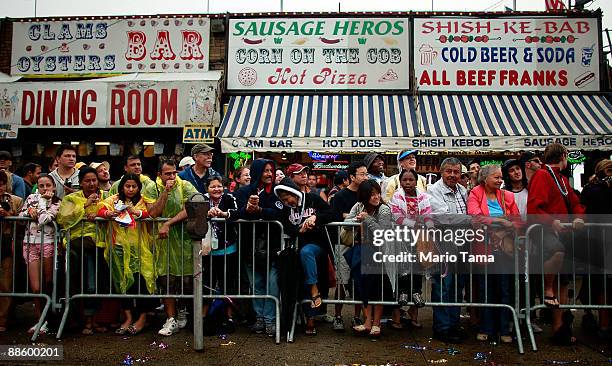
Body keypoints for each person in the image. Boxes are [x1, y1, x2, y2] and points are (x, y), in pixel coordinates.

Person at [527, 143, 585, 345]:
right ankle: (546, 288)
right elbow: (534, 206)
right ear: (563, 155)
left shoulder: (561, 178)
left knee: (565, 281)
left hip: (565, 232)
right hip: (544, 231)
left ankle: (560, 328)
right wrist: (551, 221)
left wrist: (578, 217)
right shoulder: (543, 175)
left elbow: (576, 202)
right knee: (557, 252)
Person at [143, 159, 198, 336]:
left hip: (184, 241)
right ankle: (170, 318)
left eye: (174, 173)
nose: (172, 176)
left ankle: (183, 309)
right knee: (166, 280)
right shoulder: (153, 187)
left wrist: (169, 223)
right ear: (160, 174)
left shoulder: (186, 185)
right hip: (162, 242)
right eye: (168, 173)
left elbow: (193, 207)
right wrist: (165, 191)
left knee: (186, 280)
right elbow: (153, 213)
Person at [274, 177, 335, 335]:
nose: (288, 203)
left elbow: (331, 213)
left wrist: (316, 218)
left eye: (288, 199)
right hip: (297, 249)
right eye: (284, 201)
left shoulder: (313, 198)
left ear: (293, 193)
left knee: (306, 252)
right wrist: (299, 230)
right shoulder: (285, 209)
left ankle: (315, 289)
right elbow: (286, 227)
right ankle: (310, 319)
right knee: (300, 282)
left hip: (317, 246)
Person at [467, 164, 520, 344]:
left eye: (500, 177)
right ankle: (486, 327)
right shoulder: (475, 193)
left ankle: (504, 327)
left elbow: (517, 221)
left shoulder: (507, 196)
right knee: (486, 288)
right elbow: (475, 216)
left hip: (505, 249)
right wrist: (499, 221)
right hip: (484, 247)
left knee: (505, 289)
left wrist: (503, 230)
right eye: (496, 177)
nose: (500, 180)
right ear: (485, 178)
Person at [98, 174, 155, 336]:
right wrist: (108, 214)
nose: (130, 190)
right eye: (127, 186)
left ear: (139, 187)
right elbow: (100, 209)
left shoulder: (144, 200)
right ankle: (128, 317)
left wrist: (135, 212)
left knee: (142, 281)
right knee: (122, 282)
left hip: (141, 249)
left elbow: (152, 214)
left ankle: (142, 317)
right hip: (118, 249)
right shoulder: (114, 199)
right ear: (121, 187)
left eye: (134, 186)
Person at [233, 158, 283, 336]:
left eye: (271, 170)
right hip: (249, 246)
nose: (269, 174)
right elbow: (236, 214)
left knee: (272, 284)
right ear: (257, 172)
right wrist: (247, 209)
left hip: (273, 247)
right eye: (265, 170)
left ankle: (270, 320)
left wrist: (260, 210)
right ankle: (260, 319)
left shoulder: (278, 191)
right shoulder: (244, 191)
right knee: (256, 284)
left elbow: (280, 213)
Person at [56, 167, 109, 335]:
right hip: (79, 246)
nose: (92, 184)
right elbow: (63, 218)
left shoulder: (106, 197)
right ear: (80, 182)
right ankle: (86, 321)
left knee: (100, 283)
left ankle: (95, 320)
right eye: (87, 181)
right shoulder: (71, 198)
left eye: (94, 180)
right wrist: (85, 207)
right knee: (86, 282)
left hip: (102, 245)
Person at [427, 157, 469, 344]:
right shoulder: (433, 190)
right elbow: (444, 218)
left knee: (457, 287)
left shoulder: (463, 190)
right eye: (449, 171)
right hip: (442, 244)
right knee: (443, 286)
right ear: (441, 172)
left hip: (462, 243)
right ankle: (442, 328)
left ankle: (453, 324)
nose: (453, 175)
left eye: (456, 172)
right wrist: (470, 220)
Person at [346, 179, 393, 338]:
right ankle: (367, 321)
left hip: (379, 252)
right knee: (361, 284)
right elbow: (346, 223)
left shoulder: (384, 209)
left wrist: (368, 219)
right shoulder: (358, 206)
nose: (376, 197)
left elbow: (383, 231)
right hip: (361, 250)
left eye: (377, 193)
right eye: (372, 194)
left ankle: (377, 322)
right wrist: (357, 219)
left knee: (377, 286)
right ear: (364, 196)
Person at [388, 169, 432, 329]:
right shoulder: (396, 197)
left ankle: (414, 317)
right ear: (400, 182)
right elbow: (397, 217)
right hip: (402, 240)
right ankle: (397, 319)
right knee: (402, 275)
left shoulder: (424, 197)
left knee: (417, 273)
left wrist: (427, 227)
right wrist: (414, 224)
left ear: (416, 181)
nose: (407, 183)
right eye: (404, 180)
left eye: (411, 180)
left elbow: (428, 215)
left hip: (420, 241)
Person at [329, 161, 369, 332]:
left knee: (359, 281)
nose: (365, 177)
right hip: (343, 243)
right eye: (362, 174)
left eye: (366, 174)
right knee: (342, 281)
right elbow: (335, 219)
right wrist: (350, 218)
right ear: (352, 177)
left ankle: (357, 316)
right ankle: (338, 316)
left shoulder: (367, 194)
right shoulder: (340, 196)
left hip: (362, 243)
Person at [18, 174, 60, 335]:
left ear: (53, 187)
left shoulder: (57, 202)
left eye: (48, 185)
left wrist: (42, 203)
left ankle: (50, 320)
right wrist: (29, 211)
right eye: (41, 185)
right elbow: (20, 217)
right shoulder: (30, 197)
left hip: (48, 243)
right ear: (37, 186)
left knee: (47, 283)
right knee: (36, 287)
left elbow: (44, 219)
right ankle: (40, 319)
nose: (44, 189)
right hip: (30, 243)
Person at [202, 175, 239, 334]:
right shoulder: (201, 199)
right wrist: (206, 214)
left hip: (228, 248)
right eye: (212, 186)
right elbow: (193, 215)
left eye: (219, 186)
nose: (216, 189)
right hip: (208, 250)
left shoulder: (230, 198)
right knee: (207, 283)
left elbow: (238, 212)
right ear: (207, 188)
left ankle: (229, 317)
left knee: (228, 282)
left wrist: (223, 214)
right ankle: (203, 318)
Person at [580, 159, 612, 338]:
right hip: (598, 242)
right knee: (601, 284)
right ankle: (603, 323)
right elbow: (589, 207)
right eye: (608, 170)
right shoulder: (592, 189)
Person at [0, 171, 23, 332]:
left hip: (7, 244)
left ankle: (2, 320)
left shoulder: (15, 200)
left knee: (5, 284)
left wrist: (9, 215)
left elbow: (22, 224)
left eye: (1, 183)